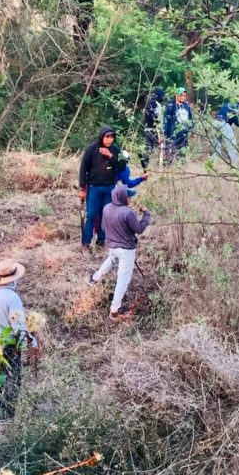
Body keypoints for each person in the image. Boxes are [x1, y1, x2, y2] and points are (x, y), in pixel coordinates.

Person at [0, 259, 37, 420]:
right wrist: (27, 343)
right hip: (8, 344)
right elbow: (18, 325)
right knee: (13, 378)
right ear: (13, 279)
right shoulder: (12, 298)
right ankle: (8, 413)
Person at [88, 185, 152, 320]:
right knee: (123, 280)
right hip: (126, 251)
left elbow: (104, 228)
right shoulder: (128, 213)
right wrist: (146, 215)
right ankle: (115, 311)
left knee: (111, 259)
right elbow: (139, 229)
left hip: (112, 246)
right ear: (123, 197)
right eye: (128, 196)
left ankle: (94, 279)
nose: (130, 199)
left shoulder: (106, 208)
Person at [78, 126, 124, 254]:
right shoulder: (91, 149)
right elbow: (83, 169)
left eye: (111, 137)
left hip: (109, 187)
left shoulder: (114, 150)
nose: (109, 140)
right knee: (92, 214)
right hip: (94, 188)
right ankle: (86, 244)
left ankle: (101, 241)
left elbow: (121, 167)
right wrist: (82, 188)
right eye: (107, 137)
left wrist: (111, 156)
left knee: (106, 215)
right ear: (101, 137)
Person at [211, 94, 239, 167]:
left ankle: (213, 163)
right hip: (223, 124)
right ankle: (236, 163)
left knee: (217, 146)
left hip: (215, 123)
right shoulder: (237, 108)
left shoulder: (229, 104)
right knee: (232, 144)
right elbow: (238, 123)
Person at [163, 88, 194, 161]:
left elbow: (190, 118)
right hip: (172, 133)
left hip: (183, 133)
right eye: (181, 95)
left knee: (182, 153)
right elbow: (165, 119)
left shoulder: (186, 106)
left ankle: (181, 167)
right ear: (176, 95)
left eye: (184, 95)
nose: (183, 97)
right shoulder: (170, 105)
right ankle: (167, 167)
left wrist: (192, 130)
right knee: (169, 152)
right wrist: (164, 132)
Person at [141, 88, 165, 169]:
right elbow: (158, 119)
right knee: (162, 147)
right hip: (155, 130)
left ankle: (145, 166)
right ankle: (161, 166)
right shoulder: (156, 104)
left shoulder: (148, 104)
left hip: (147, 129)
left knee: (148, 149)